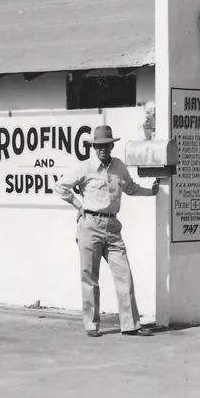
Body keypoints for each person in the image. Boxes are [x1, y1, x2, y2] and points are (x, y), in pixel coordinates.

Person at [57, 125, 158, 337]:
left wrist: (152, 192)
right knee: (89, 277)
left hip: (112, 227)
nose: (102, 149)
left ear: (112, 145)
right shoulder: (85, 168)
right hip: (90, 225)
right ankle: (91, 325)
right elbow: (60, 186)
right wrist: (78, 205)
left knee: (125, 276)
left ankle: (130, 325)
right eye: (98, 146)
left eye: (106, 145)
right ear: (94, 147)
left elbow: (130, 188)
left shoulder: (119, 167)